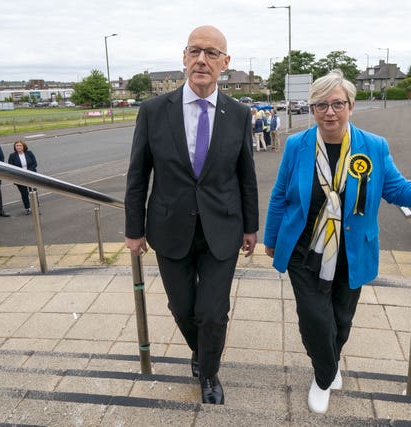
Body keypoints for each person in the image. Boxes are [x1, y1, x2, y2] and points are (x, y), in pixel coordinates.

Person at [263, 70, 411, 415]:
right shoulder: (298, 145)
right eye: (321, 105)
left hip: (351, 251)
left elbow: (398, 189)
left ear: (351, 106)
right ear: (312, 109)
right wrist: (271, 238)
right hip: (303, 248)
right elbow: (280, 194)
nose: (330, 112)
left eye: (337, 104)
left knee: (341, 317)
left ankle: (330, 364)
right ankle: (324, 376)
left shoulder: (373, 146)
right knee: (314, 318)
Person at [124, 25, 259, 406]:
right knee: (182, 307)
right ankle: (201, 352)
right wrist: (134, 230)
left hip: (223, 228)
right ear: (184, 58)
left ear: (225, 63)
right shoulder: (152, 111)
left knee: (213, 312)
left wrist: (251, 226)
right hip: (169, 228)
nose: (202, 59)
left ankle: (209, 372)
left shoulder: (238, 113)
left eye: (212, 53)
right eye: (195, 51)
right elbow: (138, 173)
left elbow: (246, 174)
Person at [7, 140, 38, 215]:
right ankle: (28, 208)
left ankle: (35, 206)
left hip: (30, 175)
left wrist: (28, 171)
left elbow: (35, 163)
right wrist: (21, 173)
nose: (18, 147)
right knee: (24, 193)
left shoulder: (29, 153)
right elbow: (11, 167)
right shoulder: (12, 156)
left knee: (33, 192)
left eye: (20, 145)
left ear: (23, 146)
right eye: (17, 146)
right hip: (20, 177)